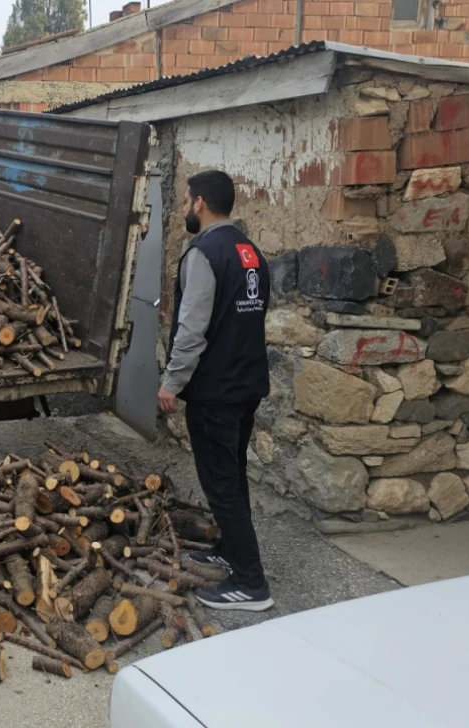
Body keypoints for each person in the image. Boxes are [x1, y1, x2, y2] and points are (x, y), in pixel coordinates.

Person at [157, 170, 274, 612]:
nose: (185, 207)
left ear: (200, 202)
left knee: (221, 482)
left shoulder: (203, 253)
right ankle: (230, 549)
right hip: (247, 383)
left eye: (186, 200)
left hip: (216, 390)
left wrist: (172, 382)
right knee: (233, 474)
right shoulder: (251, 253)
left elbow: (192, 328)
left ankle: (252, 583)